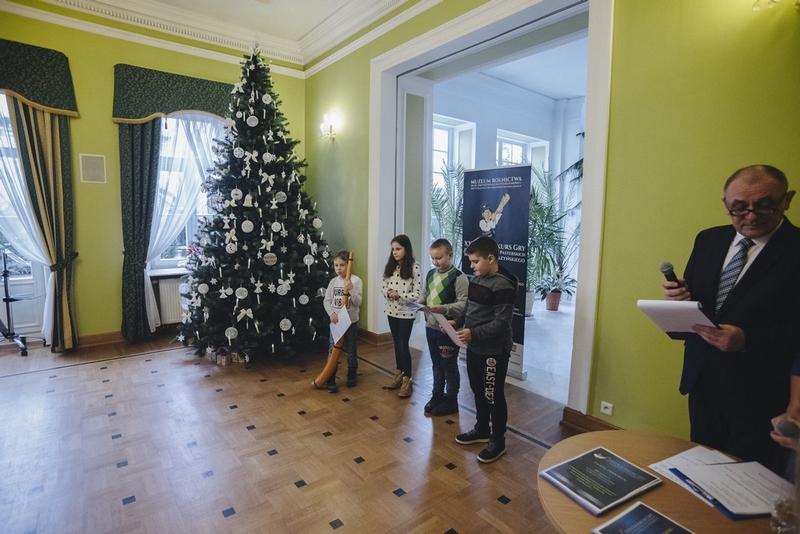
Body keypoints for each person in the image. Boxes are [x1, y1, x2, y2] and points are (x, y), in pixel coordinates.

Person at [663, 164, 800, 474]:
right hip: (703, 383)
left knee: (747, 482)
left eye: (764, 205)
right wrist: (679, 300)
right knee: (702, 471)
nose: (750, 216)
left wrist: (747, 340)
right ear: (725, 203)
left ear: (787, 199)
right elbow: (701, 305)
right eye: (739, 208)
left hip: (763, 395)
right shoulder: (708, 239)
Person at [454, 236, 517, 463]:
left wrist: (473, 333)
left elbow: (502, 323)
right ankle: (482, 429)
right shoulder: (477, 279)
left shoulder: (503, 285)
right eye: (471, 262)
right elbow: (469, 310)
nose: (471, 266)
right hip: (475, 348)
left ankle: (498, 441)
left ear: (490, 259)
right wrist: (457, 322)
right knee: (477, 389)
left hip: (494, 351)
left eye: (475, 261)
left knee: (493, 395)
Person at [418, 238, 468, 416]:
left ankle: (452, 400)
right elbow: (425, 293)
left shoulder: (459, 278)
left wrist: (444, 309)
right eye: (433, 258)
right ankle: (437, 395)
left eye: (439, 258)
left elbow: (463, 304)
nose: (435, 262)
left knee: (449, 365)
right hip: (430, 327)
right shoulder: (431, 274)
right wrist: (419, 302)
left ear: (450, 255)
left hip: (447, 329)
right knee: (436, 364)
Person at [382, 234, 421, 398]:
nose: (395, 252)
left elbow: (417, 293)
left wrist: (400, 296)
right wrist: (388, 292)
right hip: (391, 311)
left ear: (406, 249)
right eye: (393, 249)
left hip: (406, 312)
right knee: (396, 343)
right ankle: (398, 373)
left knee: (402, 344)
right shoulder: (390, 266)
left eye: (398, 249)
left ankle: (407, 379)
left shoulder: (414, 267)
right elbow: (384, 286)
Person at [322, 250, 363, 393]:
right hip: (336, 322)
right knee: (333, 348)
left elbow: (358, 302)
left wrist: (351, 289)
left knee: (351, 349)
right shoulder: (333, 282)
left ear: (348, 265)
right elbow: (327, 301)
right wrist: (331, 313)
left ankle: (352, 373)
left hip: (351, 322)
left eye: (342, 265)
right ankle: (330, 376)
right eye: (336, 265)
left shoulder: (356, 281)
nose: (339, 268)